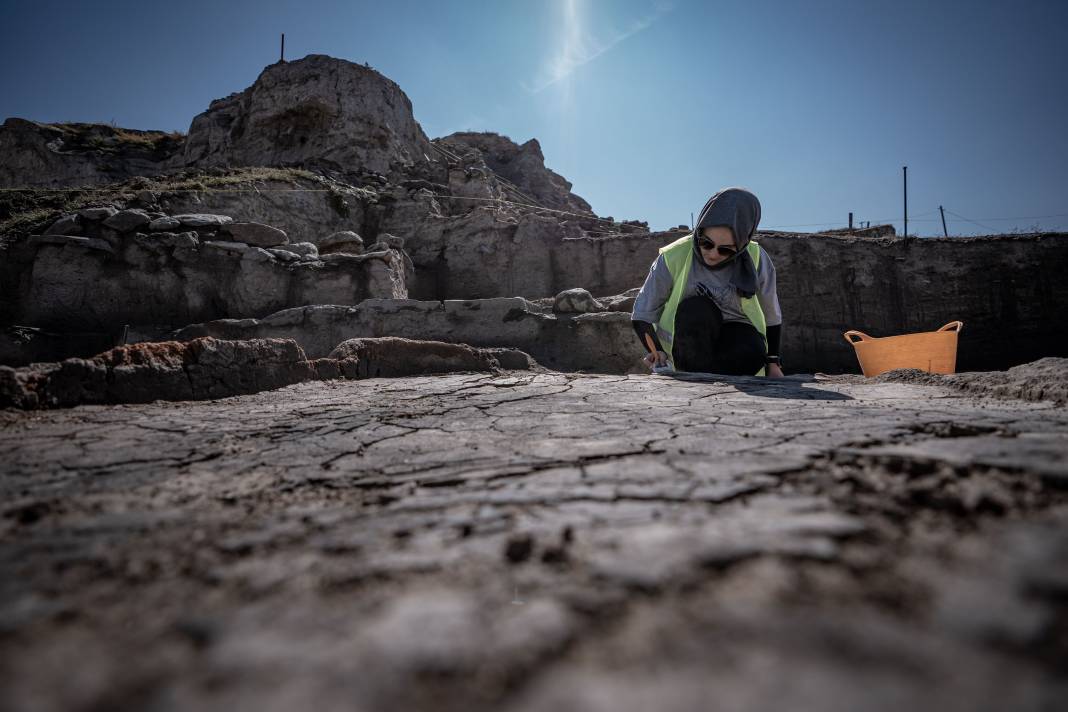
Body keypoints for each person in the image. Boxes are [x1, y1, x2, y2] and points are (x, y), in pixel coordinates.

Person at [630, 187, 784, 377]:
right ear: (699, 232)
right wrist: (657, 352)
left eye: (725, 250)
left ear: (741, 245)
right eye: (706, 243)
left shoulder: (756, 258)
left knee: (749, 347)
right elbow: (642, 314)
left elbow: (771, 314)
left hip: (737, 345)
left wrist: (773, 363)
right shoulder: (673, 256)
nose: (712, 254)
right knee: (697, 309)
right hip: (688, 345)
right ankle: (694, 381)